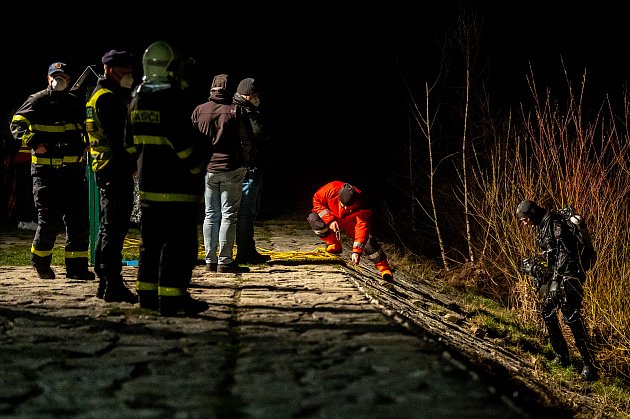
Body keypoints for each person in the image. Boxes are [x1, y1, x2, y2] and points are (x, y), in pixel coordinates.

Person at [125, 40, 208, 316]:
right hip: (178, 187)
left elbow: (128, 145)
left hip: (148, 187)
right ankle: (173, 298)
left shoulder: (137, 98)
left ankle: (147, 296)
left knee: (150, 245)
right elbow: (183, 142)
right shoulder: (173, 98)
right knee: (179, 246)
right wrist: (197, 165)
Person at [10, 62, 95, 281]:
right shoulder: (37, 100)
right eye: (56, 76)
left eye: (64, 75)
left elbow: (85, 126)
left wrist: (86, 142)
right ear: (49, 79)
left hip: (73, 173)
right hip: (46, 173)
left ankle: (77, 268)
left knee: (78, 221)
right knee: (49, 221)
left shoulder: (75, 102)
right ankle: (41, 263)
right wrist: (32, 142)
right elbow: (16, 124)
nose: (60, 80)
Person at [516, 200, 598, 381]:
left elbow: (565, 253)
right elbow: (552, 255)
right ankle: (562, 356)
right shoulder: (544, 225)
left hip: (570, 276)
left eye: (525, 219)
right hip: (560, 277)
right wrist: (536, 268)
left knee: (572, 318)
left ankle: (589, 365)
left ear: (533, 214)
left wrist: (555, 280)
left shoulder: (554, 222)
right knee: (547, 312)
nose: (524, 223)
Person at [85, 49, 137, 303]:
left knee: (109, 227)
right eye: (125, 70)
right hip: (115, 168)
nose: (130, 74)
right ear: (110, 70)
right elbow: (120, 140)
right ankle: (112, 282)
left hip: (106, 167)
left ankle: (104, 280)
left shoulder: (101, 95)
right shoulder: (107, 98)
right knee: (113, 230)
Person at [191, 74, 252, 274]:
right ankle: (225, 260)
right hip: (232, 168)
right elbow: (246, 140)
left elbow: (191, 140)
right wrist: (246, 162)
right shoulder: (236, 111)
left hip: (208, 169)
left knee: (210, 214)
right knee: (229, 215)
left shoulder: (200, 110)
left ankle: (209, 259)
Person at [307, 181, 393, 281]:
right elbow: (317, 202)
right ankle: (334, 245)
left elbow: (362, 227)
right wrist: (329, 220)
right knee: (313, 218)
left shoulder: (363, 204)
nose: (345, 208)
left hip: (352, 221)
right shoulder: (330, 189)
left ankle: (385, 269)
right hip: (332, 216)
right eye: (343, 205)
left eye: (349, 206)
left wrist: (356, 252)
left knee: (368, 241)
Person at [233, 77, 272, 265]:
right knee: (246, 212)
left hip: (254, 166)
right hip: (248, 168)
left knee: (250, 212)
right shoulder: (242, 111)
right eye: (255, 96)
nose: (258, 99)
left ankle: (248, 248)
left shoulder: (249, 110)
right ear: (247, 95)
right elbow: (255, 135)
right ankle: (244, 251)